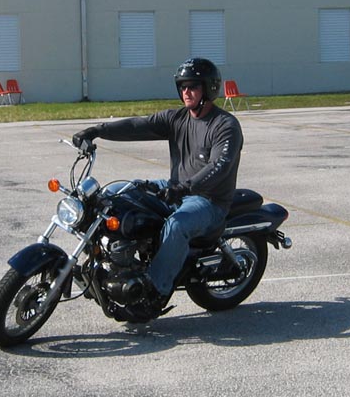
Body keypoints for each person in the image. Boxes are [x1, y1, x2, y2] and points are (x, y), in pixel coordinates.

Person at [72, 58, 243, 321]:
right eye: (182, 86)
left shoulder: (225, 125)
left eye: (193, 86)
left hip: (208, 200)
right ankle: (113, 260)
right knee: (118, 191)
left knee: (176, 225)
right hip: (176, 188)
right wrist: (96, 130)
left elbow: (219, 166)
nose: (186, 92)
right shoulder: (177, 118)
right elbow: (137, 126)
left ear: (209, 88)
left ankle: (154, 293)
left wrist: (184, 187)